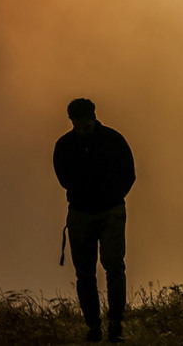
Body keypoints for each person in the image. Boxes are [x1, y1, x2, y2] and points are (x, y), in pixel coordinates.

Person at [53, 98, 135, 343]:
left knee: (112, 265)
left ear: (93, 116)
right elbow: (63, 177)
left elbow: (128, 174)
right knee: (86, 272)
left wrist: (109, 196)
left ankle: (114, 325)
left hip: (107, 210)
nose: (82, 124)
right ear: (72, 120)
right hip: (84, 213)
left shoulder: (112, 140)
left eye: (85, 119)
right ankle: (95, 327)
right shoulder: (66, 145)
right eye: (78, 120)